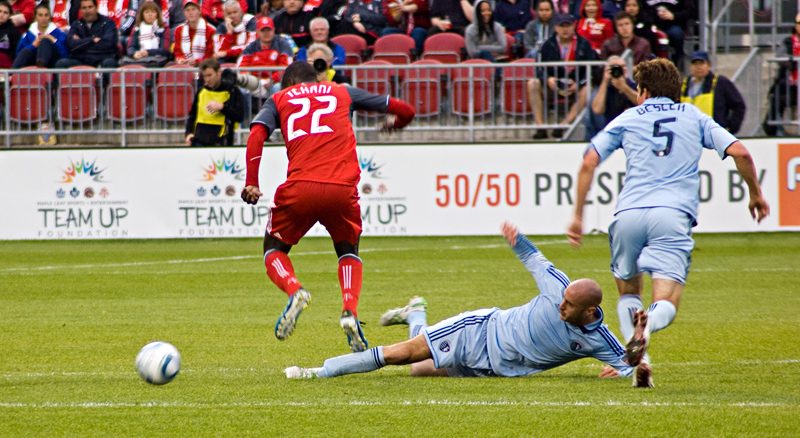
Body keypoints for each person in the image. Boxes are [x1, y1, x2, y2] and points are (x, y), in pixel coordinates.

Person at [567, 58, 770, 385]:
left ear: (644, 91)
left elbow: (589, 159)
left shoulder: (629, 117)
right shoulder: (693, 116)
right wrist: (755, 194)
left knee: (628, 291)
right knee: (666, 299)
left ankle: (639, 362)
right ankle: (647, 325)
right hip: (672, 216)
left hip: (629, 214)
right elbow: (741, 153)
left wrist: (578, 215)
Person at [284, 222, 647, 385]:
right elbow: (535, 260)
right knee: (400, 355)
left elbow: (631, 362)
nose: (560, 307)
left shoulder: (598, 338)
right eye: (562, 300)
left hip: (494, 368)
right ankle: (319, 371)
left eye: (568, 306)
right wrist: (517, 239)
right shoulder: (558, 287)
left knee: (419, 371)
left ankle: (416, 311)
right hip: (479, 331)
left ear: (588, 312)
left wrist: (625, 366)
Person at [240, 61, 415, 353]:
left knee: (273, 250)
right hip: (341, 190)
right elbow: (406, 110)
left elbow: (257, 134)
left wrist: (251, 182)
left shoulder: (279, 99)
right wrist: (393, 125)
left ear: (290, 83)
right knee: (348, 251)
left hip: (301, 189)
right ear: (316, 79)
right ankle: (349, 311)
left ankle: (295, 290)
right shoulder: (343, 91)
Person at [528, 13, 597, 140]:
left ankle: (563, 125)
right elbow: (539, 68)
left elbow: (592, 69)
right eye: (561, 26)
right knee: (533, 83)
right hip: (552, 87)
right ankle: (540, 127)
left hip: (575, 86)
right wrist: (548, 79)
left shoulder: (583, 44)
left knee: (588, 89)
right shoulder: (547, 45)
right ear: (556, 27)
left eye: (568, 25)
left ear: (574, 26)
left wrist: (579, 83)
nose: (565, 29)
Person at [680, 50, 745, 135]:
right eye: (695, 64)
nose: (698, 67)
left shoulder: (720, 82)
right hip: (689, 135)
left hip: (714, 136)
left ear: (709, 65)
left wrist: (730, 129)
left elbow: (739, 106)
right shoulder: (684, 85)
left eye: (701, 63)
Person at [184, 58, 245, 146]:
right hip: (198, 141)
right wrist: (188, 133)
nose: (207, 79)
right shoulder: (201, 91)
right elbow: (192, 115)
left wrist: (222, 107)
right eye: (205, 76)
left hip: (222, 143)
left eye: (210, 75)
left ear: (218, 73)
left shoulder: (232, 91)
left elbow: (239, 116)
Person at [762, 15, 800, 137]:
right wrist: (794, 62)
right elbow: (780, 56)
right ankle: (771, 128)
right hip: (790, 84)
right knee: (778, 96)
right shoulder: (788, 41)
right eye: (799, 23)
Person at [55, 0, 119, 69]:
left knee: (110, 63)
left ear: (96, 8)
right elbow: (72, 45)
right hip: (80, 59)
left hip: (102, 58)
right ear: (80, 10)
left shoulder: (107, 23)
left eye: (90, 7)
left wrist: (81, 42)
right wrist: (92, 40)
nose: (87, 11)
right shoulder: (76, 24)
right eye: (84, 8)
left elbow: (109, 44)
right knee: (62, 63)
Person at [585, 55, 636, 139]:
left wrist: (624, 87)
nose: (619, 70)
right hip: (611, 131)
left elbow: (642, 103)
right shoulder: (605, 88)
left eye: (622, 66)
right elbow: (597, 110)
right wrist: (605, 80)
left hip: (632, 131)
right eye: (615, 67)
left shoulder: (633, 85)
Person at [13, 3, 68, 68]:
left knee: (45, 41)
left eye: (46, 15)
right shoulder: (28, 34)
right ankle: (12, 72)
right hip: (32, 62)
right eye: (40, 15)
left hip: (53, 64)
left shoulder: (59, 33)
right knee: (26, 50)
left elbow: (65, 54)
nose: (43, 18)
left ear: (49, 17)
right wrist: (33, 45)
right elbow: (19, 54)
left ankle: (41, 67)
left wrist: (53, 40)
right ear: (35, 17)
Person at [121, 1, 171, 66]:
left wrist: (148, 52)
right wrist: (134, 53)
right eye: (147, 12)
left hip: (156, 59)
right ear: (142, 14)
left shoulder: (163, 28)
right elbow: (131, 47)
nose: (150, 14)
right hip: (140, 58)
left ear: (157, 14)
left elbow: (164, 49)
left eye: (153, 12)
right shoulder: (137, 28)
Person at [173, 0, 216, 66]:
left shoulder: (211, 30)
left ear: (199, 11)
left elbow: (211, 54)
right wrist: (181, 59)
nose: (190, 13)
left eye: (193, 9)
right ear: (184, 13)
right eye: (187, 10)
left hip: (205, 65)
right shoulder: (179, 30)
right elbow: (178, 51)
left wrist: (197, 61)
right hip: (185, 65)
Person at [0, 1, 20, 69]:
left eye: (5, 12)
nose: (2, 14)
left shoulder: (14, 31)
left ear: (10, 15)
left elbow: (15, 53)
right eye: (0, 11)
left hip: (6, 65)